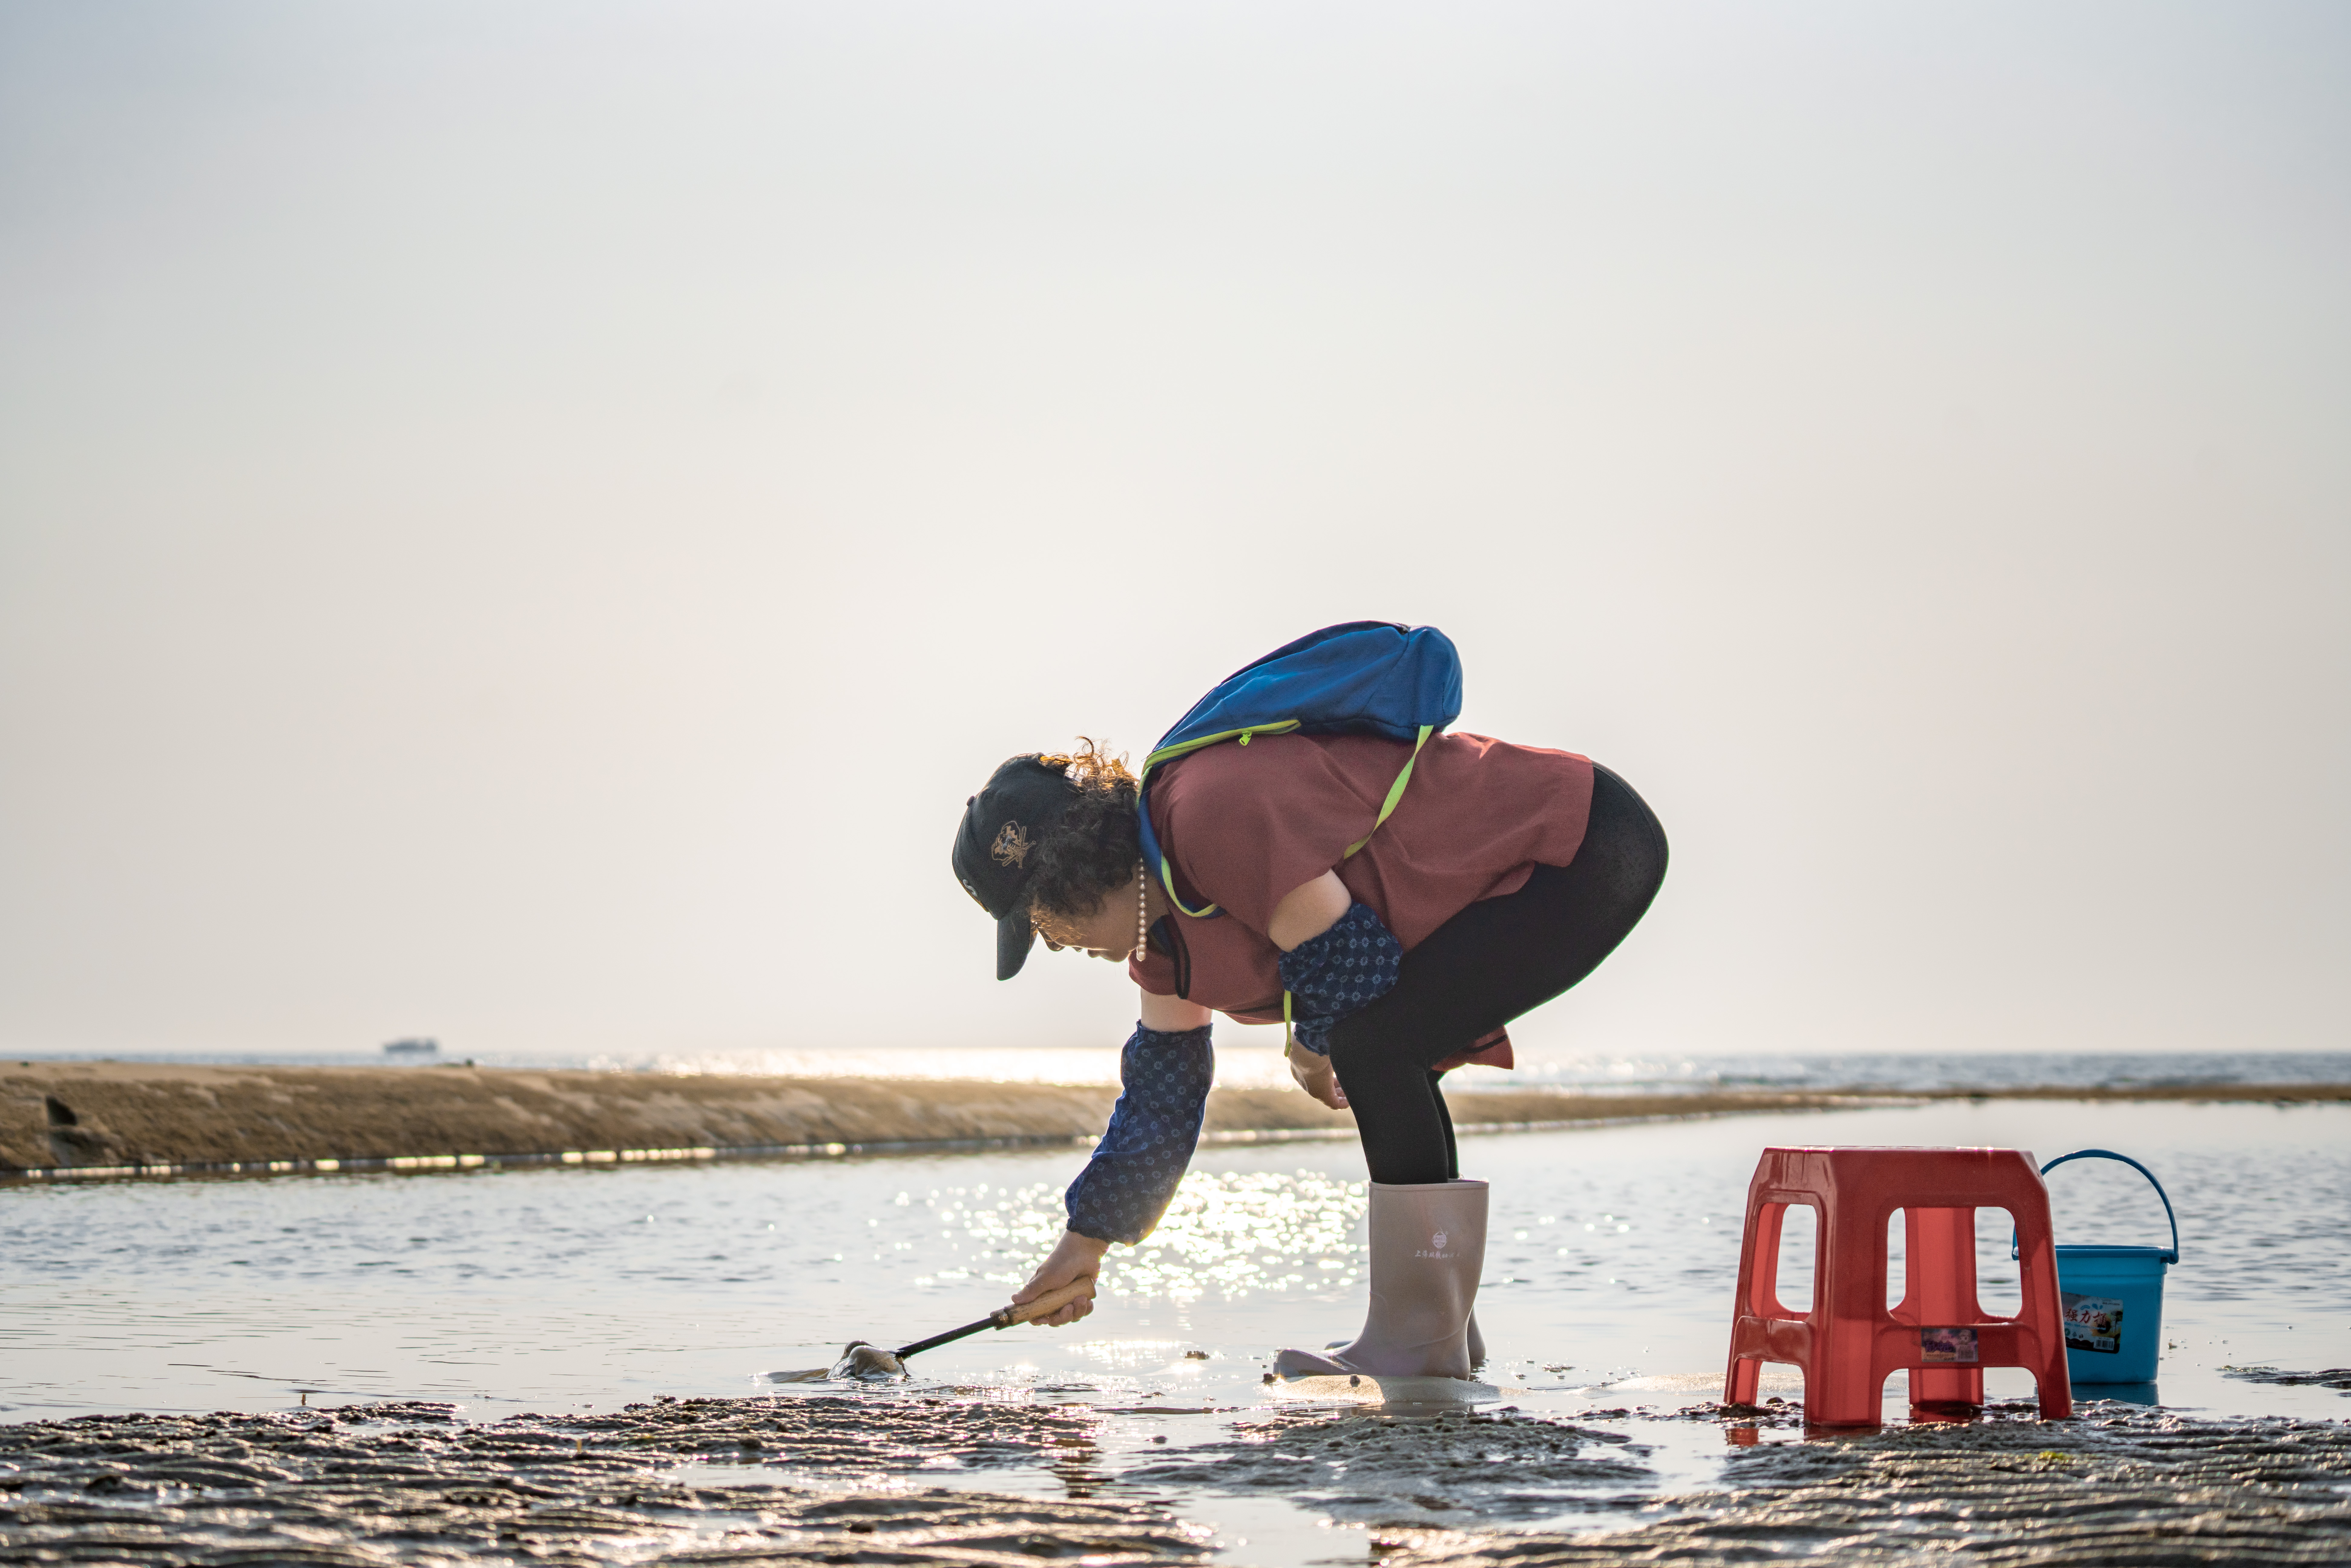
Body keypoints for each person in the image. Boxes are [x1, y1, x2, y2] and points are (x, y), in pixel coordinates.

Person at [949, 722, 1665, 1379]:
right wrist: (1084, 1246)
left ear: (1069, 871)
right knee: (1386, 1046)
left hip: (1579, 843)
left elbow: (1349, 961)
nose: (1050, 942)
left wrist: (1308, 1045)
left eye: (1037, 918)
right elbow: (1162, 1100)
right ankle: (1442, 1330)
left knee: (1373, 1043)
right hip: (1545, 863)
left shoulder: (1204, 815)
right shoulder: (1161, 943)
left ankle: (1419, 1339)